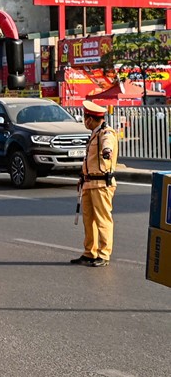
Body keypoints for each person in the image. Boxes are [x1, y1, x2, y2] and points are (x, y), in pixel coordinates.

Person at [70, 100, 118, 268]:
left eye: (85, 118)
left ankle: (104, 254)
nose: (84, 121)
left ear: (90, 119)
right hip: (89, 183)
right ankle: (90, 252)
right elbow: (89, 160)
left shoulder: (106, 133)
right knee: (88, 220)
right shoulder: (94, 134)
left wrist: (107, 151)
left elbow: (108, 145)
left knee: (103, 220)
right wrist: (82, 178)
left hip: (101, 184)